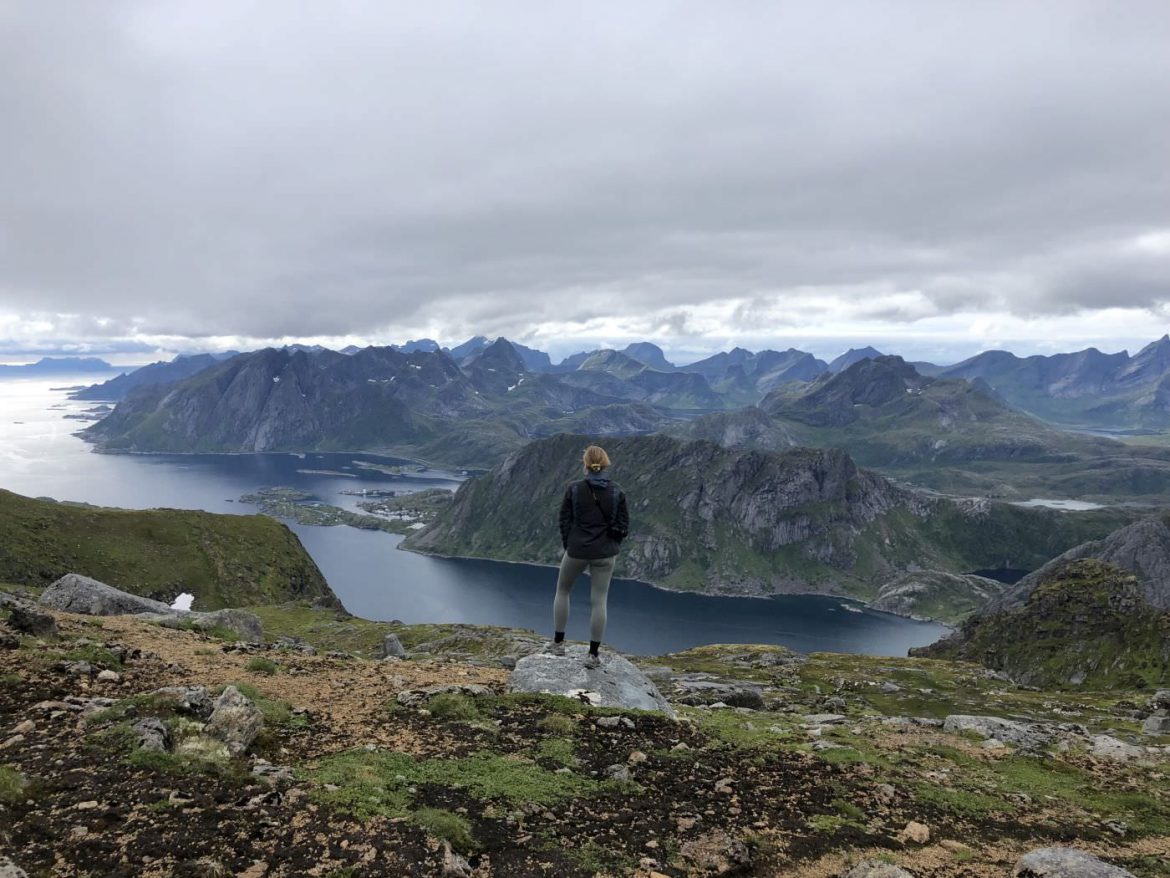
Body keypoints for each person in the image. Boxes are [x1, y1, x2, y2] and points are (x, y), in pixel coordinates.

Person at [549, 444, 629, 668]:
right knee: (599, 601)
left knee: (563, 591)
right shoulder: (617, 491)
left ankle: (558, 644)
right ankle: (593, 655)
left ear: (585, 464)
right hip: (605, 553)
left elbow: (564, 521)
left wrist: (570, 545)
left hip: (577, 550)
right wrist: (611, 544)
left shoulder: (574, 489)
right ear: (605, 464)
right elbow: (623, 525)